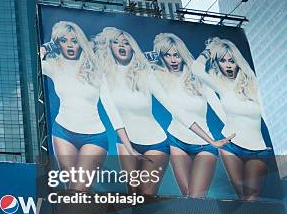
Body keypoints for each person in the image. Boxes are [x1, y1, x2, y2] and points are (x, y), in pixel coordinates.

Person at [95, 27, 228, 196]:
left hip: (155, 142)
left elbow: (174, 107)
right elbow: (112, 113)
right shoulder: (102, 76)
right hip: (125, 142)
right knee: (133, 195)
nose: (121, 46)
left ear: (132, 47)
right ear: (109, 47)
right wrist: (129, 148)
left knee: (147, 196)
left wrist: (210, 140)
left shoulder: (145, 73)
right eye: (116, 42)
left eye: (126, 43)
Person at [40, 21, 125, 191]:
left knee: (79, 189)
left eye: (74, 40)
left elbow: (109, 104)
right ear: (57, 44)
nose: (70, 45)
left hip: (94, 137)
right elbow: (34, 61)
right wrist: (46, 48)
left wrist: (126, 142)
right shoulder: (54, 67)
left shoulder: (95, 68)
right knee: (70, 188)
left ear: (81, 43)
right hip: (62, 132)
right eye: (64, 41)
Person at [191, 37, 271, 200]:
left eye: (231, 60)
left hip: (258, 149)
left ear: (238, 62)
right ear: (218, 63)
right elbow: (196, 68)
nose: (228, 64)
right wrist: (209, 51)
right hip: (230, 146)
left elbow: (266, 112)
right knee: (242, 196)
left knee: (252, 198)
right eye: (222, 60)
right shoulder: (221, 85)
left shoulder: (253, 84)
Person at [153, 33, 232, 198]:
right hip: (176, 141)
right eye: (167, 55)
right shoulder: (158, 77)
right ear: (161, 56)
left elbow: (216, 104)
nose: (173, 60)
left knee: (196, 198)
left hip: (205, 144)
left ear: (182, 54)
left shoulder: (198, 78)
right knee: (188, 197)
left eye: (176, 54)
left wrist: (235, 130)